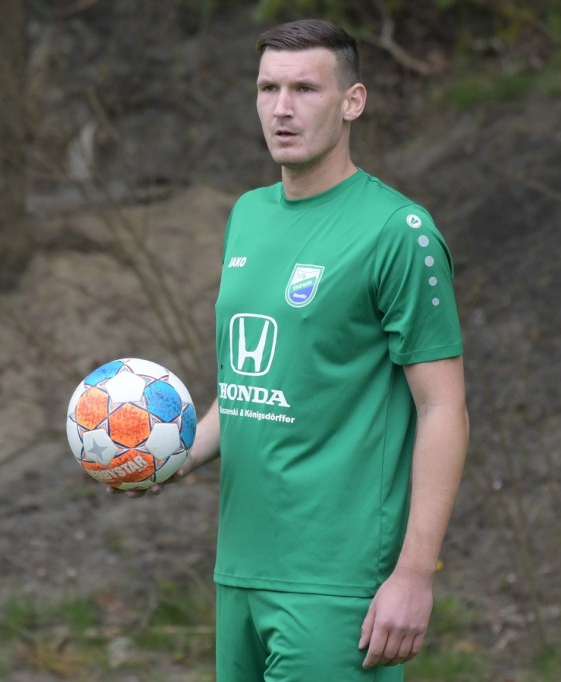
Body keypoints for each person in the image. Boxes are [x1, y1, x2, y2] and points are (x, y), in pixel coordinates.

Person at [114, 18, 468, 680]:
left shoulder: (399, 231)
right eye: (267, 88)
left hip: (337, 581)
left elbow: (443, 408)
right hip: (240, 571)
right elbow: (249, 388)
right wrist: (172, 455)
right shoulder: (249, 214)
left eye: (305, 88)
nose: (282, 108)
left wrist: (415, 572)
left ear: (352, 102)